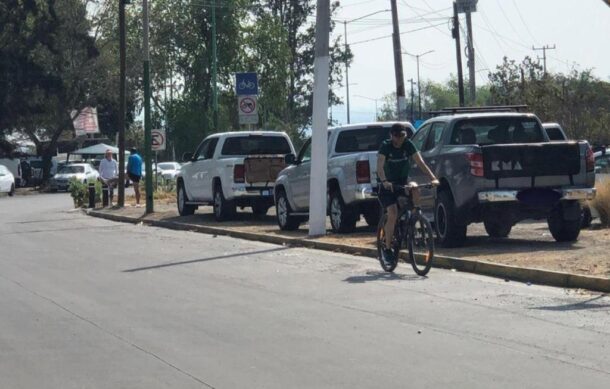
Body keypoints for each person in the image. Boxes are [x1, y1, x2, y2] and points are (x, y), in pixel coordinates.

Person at [376, 124, 439, 265]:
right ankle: (387, 249)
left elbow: (420, 162)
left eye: (402, 136)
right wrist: (384, 181)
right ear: (391, 136)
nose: (400, 139)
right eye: (397, 137)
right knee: (392, 213)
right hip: (387, 185)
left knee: (415, 187)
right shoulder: (386, 146)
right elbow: (380, 166)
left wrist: (433, 178)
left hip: (402, 181)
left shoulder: (408, 145)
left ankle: (417, 214)